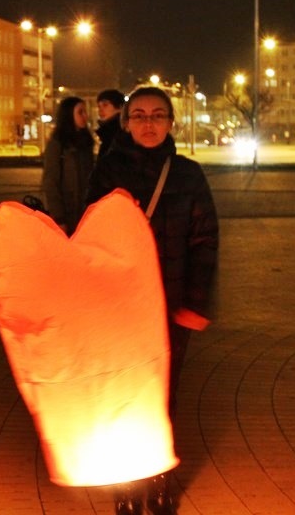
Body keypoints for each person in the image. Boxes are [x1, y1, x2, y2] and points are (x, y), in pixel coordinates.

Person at [85, 86, 219, 515]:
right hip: (119, 306)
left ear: (171, 123)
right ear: (125, 123)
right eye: (138, 115)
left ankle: (159, 479)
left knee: (163, 395)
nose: (148, 123)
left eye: (157, 115)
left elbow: (205, 241)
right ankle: (127, 485)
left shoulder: (188, 175)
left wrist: (195, 303)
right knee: (122, 394)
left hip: (170, 304)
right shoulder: (106, 172)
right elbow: (88, 237)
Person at [41, 96, 94, 234]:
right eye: (80, 112)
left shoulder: (86, 143)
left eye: (85, 111)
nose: (85, 116)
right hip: (67, 214)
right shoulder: (57, 144)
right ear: (69, 115)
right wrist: (59, 218)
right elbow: (50, 182)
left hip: (86, 214)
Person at [95, 88, 125, 156]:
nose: (100, 110)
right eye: (99, 106)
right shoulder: (106, 132)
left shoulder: (119, 133)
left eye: (105, 105)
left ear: (120, 107)